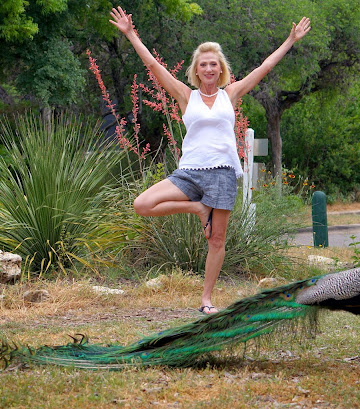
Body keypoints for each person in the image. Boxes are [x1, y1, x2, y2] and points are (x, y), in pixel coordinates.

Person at [110, 6, 311, 314]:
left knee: (216, 240)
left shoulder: (229, 94)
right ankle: (196, 208)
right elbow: (152, 64)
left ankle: (206, 300)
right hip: (189, 172)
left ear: (220, 70)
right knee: (143, 204)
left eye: (213, 64)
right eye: (203, 64)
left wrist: (290, 39)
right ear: (196, 69)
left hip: (222, 173)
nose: (208, 68)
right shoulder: (184, 95)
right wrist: (129, 33)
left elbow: (264, 67)